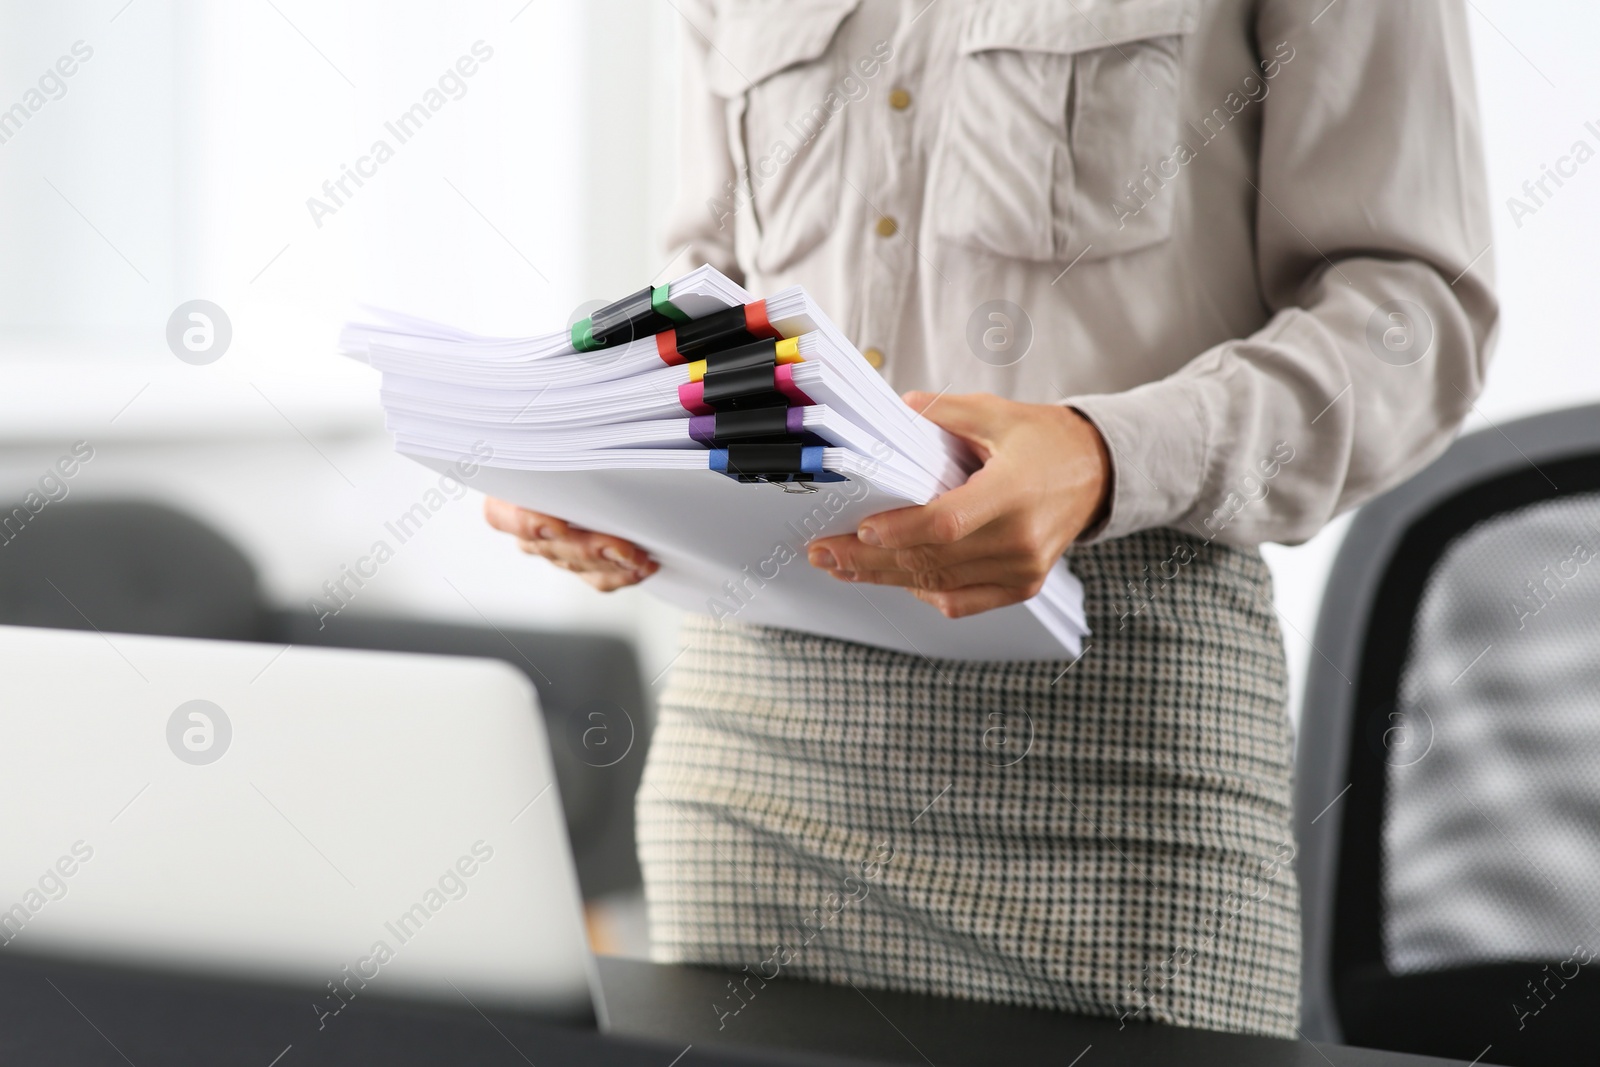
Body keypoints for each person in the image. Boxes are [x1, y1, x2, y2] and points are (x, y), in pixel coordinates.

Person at [484, 0, 1497, 1037]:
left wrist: (1109, 453)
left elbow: (1413, 316)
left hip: (1116, 753)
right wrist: (596, 442)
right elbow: (714, 288)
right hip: (755, 756)